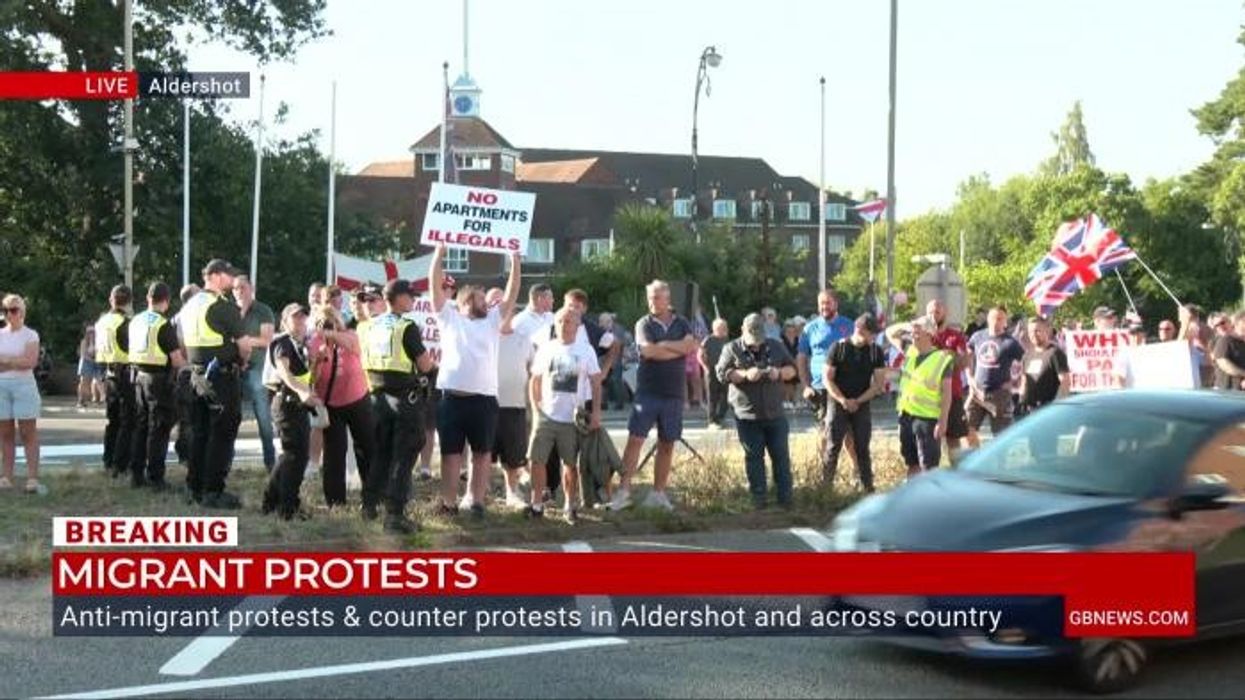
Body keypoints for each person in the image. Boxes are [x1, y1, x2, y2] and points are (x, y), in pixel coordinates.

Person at [431, 245, 522, 518]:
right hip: (451, 398)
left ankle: (476, 500)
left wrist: (514, 261)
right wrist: (439, 253)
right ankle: (448, 502)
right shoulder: (448, 318)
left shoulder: (492, 321)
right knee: (450, 455)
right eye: (476, 299)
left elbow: (511, 293)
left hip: (483, 400)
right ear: (462, 303)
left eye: (484, 299)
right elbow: (434, 284)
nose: (483, 302)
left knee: (482, 454)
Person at [610, 280, 697, 511]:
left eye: (657, 297)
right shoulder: (643, 323)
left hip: (674, 393)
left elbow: (691, 347)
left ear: (668, 300)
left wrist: (666, 345)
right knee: (635, 440)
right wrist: (675, 348)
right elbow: (648, 350)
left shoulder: (683, 322)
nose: (652, 302)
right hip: (648, 392)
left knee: (667, 443)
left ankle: (658, 494)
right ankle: (624, 490)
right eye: (649, 297)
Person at [358, 279, 436, 532]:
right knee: (404, 456)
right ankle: (395, 514)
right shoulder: (406, 327)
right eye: (410, 296)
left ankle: (369, 505)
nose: (413, 300)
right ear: (399, 298)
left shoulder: (368, 326)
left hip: (376, 399)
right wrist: (434, 372)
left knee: (381, 453)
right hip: (405, 401)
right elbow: (424, 365)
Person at [181, 259, 253, 509]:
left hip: (196, 374)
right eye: (227, 275)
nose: (232, 279)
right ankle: (213, 490)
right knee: (222, 433)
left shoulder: (190, 305)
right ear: (214, 276)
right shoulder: (222, 306)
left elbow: (181, 339)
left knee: (200, 432)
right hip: (220, 377)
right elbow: (244, 345)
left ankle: (194, 486)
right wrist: (243, 361)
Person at [526, 307, 603, 523]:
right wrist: (535, 408)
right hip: (546, 414)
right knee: (537, 459)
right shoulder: (547, 348)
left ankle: (570, 504)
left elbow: (596, 382)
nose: (563, 325)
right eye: (560, 321)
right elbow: (535, 379)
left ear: (578, 325)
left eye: (568, 321)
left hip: (572, 418)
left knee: (570, 462)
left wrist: (596, 411)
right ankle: (537, 503)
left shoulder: (585, 350)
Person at [717, 312, 797, 508]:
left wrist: (778, 373)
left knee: (780, 455)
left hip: (774, 413)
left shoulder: (775, 346)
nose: (756, 345)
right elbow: (721, 373)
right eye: (752, 341)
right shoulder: (731, 348)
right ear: (742, 331)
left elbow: (793, 371)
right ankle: (758, 498)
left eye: (759, 341)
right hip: (747, 415)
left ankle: (785, 499)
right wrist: (744, 374)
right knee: (754, 457)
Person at [309, 304, 375, 509]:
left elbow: (355, 347)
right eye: (323, 322)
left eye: (333, 321)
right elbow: (313, 378)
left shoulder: (351, 334)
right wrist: (318, 360)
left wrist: (333, 334)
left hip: (357, 398)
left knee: (367, 448)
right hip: (332, 404)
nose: (328, 326)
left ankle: (373, 497)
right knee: (334, 454)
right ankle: (336, 502)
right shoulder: (315, 341)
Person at [261, 303, 322, 520]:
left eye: (303, 317)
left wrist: (317, 363)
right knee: (294, 456)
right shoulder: (283, 343)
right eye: (295, 317)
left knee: (292, 455)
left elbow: (307, 376)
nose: (301, 321)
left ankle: (271, 502)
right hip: (287, 403)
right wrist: (301, 392)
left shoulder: (300, 345)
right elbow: (284, 372)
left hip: (296, 405)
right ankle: (287, 507)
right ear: (285, 321)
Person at [496, 283, 555, 507]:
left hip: (540, 385)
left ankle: (534, 478)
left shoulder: (551, 318)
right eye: (549, 297)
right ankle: (520, 477)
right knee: (522, 434)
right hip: (508, 396)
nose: (552, 302)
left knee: (532, 435)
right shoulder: (521, 322)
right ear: (538, 298)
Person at [127, 282, 185, 490]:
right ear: (167, 301)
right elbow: (177, 360)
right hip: (159, 380)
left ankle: (136, 474)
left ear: (148, 298)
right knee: (159, 430)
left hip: (138, 378)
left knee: (141, 427)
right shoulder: (163, 324)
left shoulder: (135, 320)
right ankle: (155, 477)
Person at [824, 314, 887, 493]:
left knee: (862, 446)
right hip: (837, 401)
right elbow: (827, 379)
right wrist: (843, 400)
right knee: (832, 446)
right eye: (871, 333)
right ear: (859, 330)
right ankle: (825, 489)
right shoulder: (838, 348)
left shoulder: (875, 351)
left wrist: (858, 401)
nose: (873, 337)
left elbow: (878, 383)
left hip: (862, 402)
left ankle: (867, 487)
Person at [797, 289, 857, 475]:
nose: (824, 307)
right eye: (821, 303)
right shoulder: (809, 329)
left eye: (828, 303)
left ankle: (857, 470)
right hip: (819, 387)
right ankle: (826, 473)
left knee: (849, 433)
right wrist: (805, 385)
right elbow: (801, 358)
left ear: (836, 304)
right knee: (825, 430)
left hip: (845, 387)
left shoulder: (849, 326)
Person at [886, 315, 954, 476]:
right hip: (906, 416)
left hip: (927, 420)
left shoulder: (942, 358)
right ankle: (912, 498)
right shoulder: (910, 352)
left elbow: (947, 394)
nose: (912, 335)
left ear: (929, 334)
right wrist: (909, 324)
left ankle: (930, 499)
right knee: (912, 463)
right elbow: (890, 333)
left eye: (917, 332)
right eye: (912, 332)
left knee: (929, 467)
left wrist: (942, 422)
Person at [233, 275, 276, 473]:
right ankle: (227, 461)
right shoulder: (230, 310)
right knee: (231, 417)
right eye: (235, 288)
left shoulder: (263, 310)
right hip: (234, 369)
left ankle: (270, 461)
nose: (239, 291)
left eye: (243, 287)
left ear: (252, 288)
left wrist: (244, 340)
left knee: (263, 416)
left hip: (256, 368)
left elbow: (267, 340)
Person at [0, 294, 41, 493]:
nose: (9, 314)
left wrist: (5, 360)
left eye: (13, 310)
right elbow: (20, 361)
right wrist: (15, 360)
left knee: (27, 432)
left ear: (22, 312)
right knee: (5, 433)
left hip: (24, 386)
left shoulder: (30, 335)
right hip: (1, 387)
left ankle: (32, 478)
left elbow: (30, 362)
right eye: (6, 310)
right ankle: (7, 476)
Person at [966, 305, 1025, 444]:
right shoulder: (977, 336)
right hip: (977, 392)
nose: (996, 321)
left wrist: (1014, 382)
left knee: (1000, 437)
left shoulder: (1010, 342)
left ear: (1005, 322)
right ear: (988, 318)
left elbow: (1026, 360)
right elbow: (968, 355)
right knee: (967, 430)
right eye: (993, 318)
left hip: (999, 394)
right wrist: (970, 378)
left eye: (1000, 319)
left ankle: (998, 464)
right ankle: (977, 460)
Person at [922, 299, 971, 462]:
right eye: (930, 312)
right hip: (926, 397)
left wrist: (949, 355)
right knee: (928, 439)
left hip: (952, 394)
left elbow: (964, 362)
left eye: (937, 312)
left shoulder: (955, 336)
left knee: (953, 439)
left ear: (945, 313)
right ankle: (931, 475)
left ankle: (956, 473)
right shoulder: (921, 336)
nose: (933, 315)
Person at [95, 285, 133, 478]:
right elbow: (131, 348)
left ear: (112, 300)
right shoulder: (124, 322)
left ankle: (108, 460)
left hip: (108, 372)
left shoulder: (102, 321)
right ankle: (121, 464)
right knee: (128, 421)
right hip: (126, 373)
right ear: (129, 302)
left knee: (113, 421)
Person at [171, 284, 199, 466]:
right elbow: (181, 346)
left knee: (185, 417)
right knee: (190, 417)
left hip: (180, 372)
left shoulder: (176, 318)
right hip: (188, 371)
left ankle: (184, 453)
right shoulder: (186, 318)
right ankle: (187, 455)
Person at [1019, 317, 1070, 413]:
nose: (1033, 335)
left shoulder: (1055, 353)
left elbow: (1065, 382)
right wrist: (1021, 401)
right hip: (1030, 410)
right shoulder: (1027, 355)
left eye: (1037, 331)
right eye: (1030, 332)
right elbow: (1024, 381)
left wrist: (1057, 405)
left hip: (1048, 410)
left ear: (1047, 330)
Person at [699, 318, 731, 428]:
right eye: (721, 328)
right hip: (711, 370)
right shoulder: (708, 340)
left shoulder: (726, 340)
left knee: (726, 396)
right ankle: (712, 420)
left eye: (725, 328)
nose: (724, 330)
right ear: (715, 328)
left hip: (723, 371)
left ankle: (720, 417)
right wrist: (705, 367)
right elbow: (699, 355)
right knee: (712, 397)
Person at [1179, 304, 1214, 388]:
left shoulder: (1192, 327)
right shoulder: (1204, 326)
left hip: (1199, 366)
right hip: (1205, 364)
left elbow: (1180, 346)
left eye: (1180, 314)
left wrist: (1185, 324)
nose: (1179, 317)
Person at [1212, 311, 1245, 391]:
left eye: (1222, 323)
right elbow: (1224, 364)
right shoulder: (1225, 340)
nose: (1220, 326)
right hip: (1226, 391)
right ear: (1237, 324)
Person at [75, 321, 104, 408]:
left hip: (95, 362)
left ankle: (101, 398)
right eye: (89, 332)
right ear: (86, 333)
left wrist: (97, 358)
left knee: (99, 380)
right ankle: (81, 400)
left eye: (93, 332)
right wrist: (92, 359)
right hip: (86, 362)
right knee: (83, 381)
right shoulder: (84, 341)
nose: (91, 334)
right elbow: (83, 354)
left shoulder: (98, 342)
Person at [780, 319, 801, 408]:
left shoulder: (798, 340)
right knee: (786, 382)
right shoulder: (781, 340)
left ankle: (795, 400)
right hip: (785, 363)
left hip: (796, 363)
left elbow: (801, 352)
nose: (791, 329)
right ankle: (786, 400)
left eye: (792, 327)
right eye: (788, 327)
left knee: (796, 382)